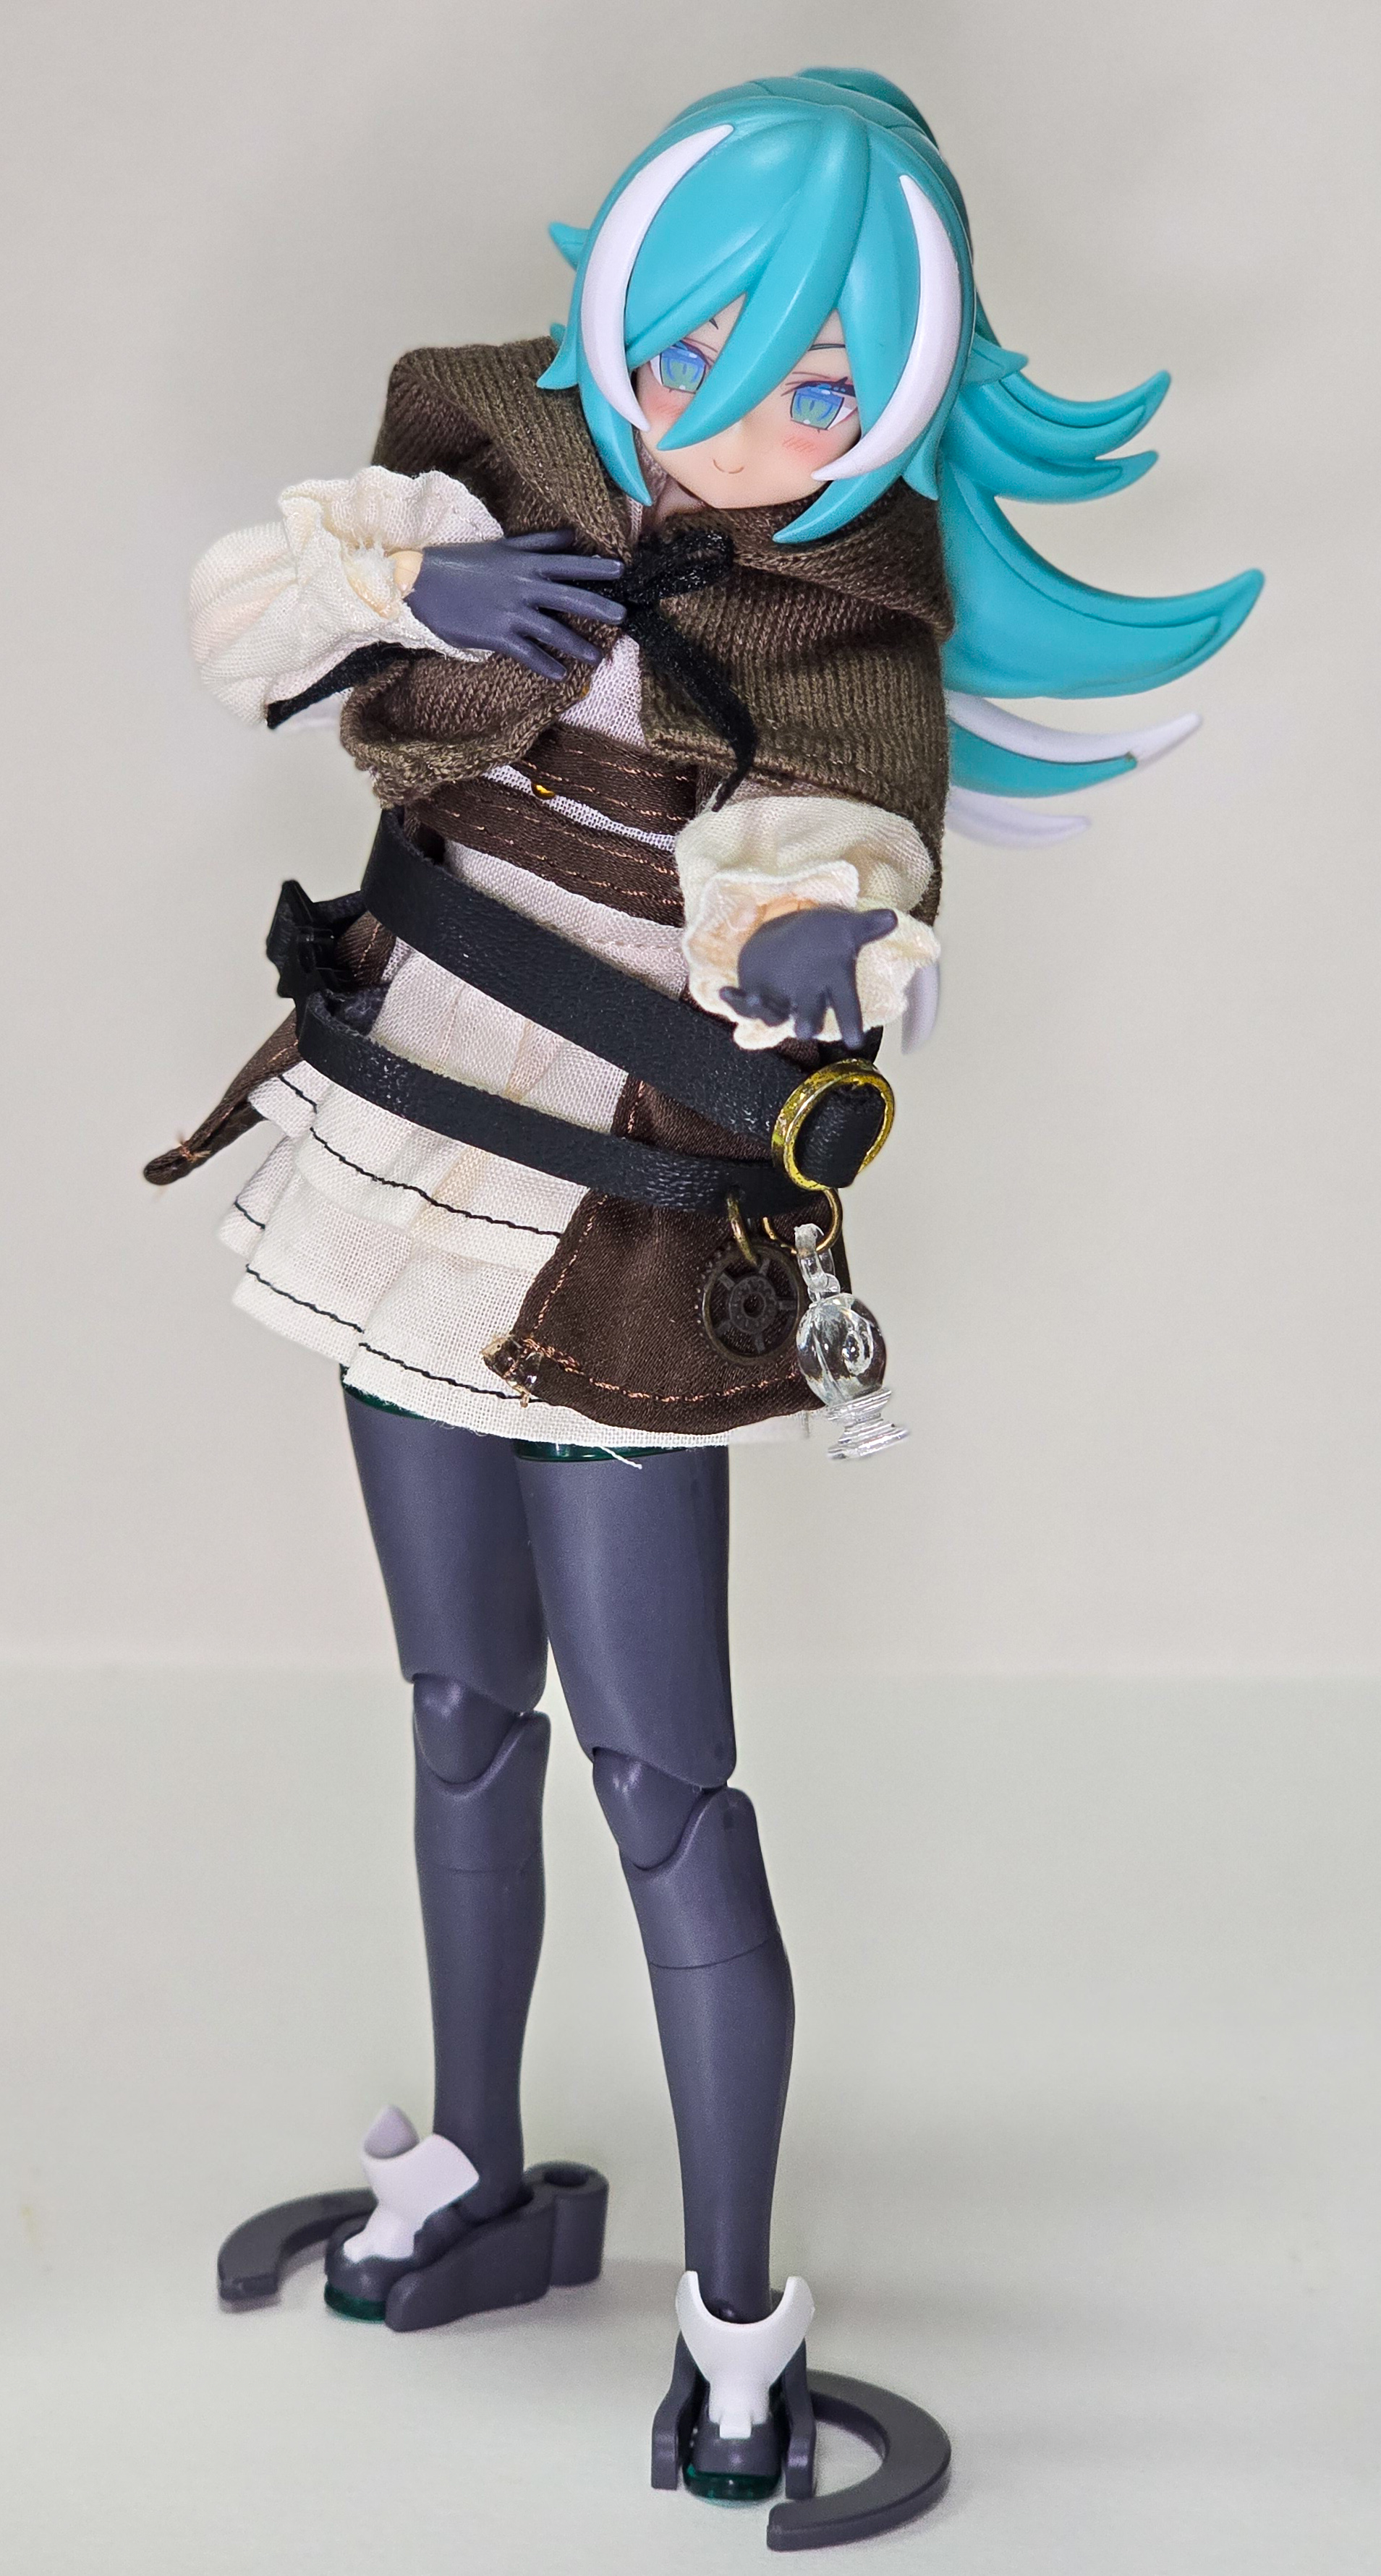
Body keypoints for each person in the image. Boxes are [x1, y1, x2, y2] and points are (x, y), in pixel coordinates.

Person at [151, 66, 1261, 2506]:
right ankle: (476, 2173)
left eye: (820, 385)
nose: (739, 416)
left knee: (664, 1779)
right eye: (695, 345)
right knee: (460, 1707)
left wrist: (836, 937)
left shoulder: (845, 619)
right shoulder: (491, 446)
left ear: (906, 398)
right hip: (399, 1146)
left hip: (625, 1232)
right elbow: (256, 611)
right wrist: (414, 592)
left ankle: (740, 2319)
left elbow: (829, 846)